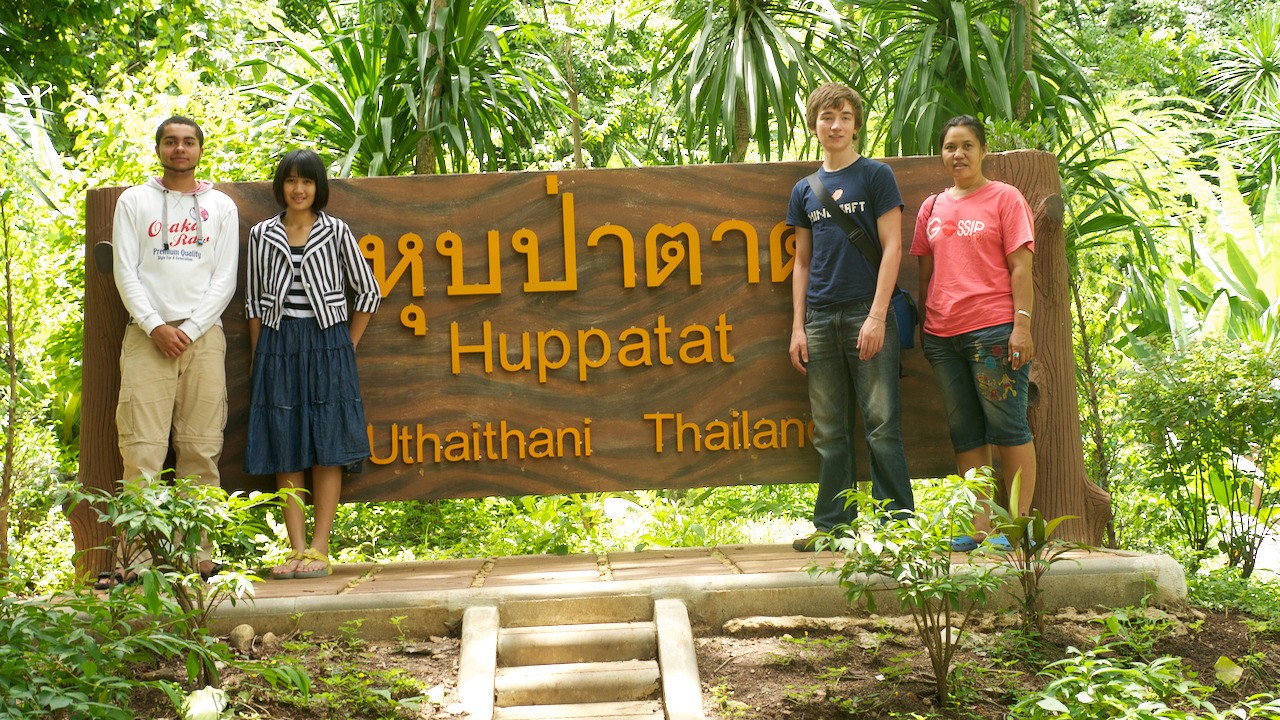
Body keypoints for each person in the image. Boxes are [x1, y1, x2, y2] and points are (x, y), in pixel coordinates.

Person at [106, 115, 239, 587]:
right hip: (146, 338)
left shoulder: (221, 206)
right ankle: (136, 559)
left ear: (200, 149)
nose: (179, 149)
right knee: (141, 451)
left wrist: (192, 327)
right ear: (159, 148)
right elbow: (127, 271)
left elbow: (225, 277)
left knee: (201, 450)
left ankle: (197, 556)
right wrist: (156, 326)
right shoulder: (134, 201)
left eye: (188, 142)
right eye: (170, 142)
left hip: (204, 340)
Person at [787, 83, 915, 551]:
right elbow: (801, 262)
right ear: (814, 124)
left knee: (882, 425)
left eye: (843, 116)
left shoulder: (876, 176)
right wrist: (798, 326)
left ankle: (897, 530)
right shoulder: (804, 190)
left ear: (856, 124)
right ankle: (834, 528)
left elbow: (893, 247)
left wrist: (878, 316)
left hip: (868, 313)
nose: (835, 125)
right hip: (820, 318)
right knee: (829, 430)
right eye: (826, 117)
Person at [243, 149, 381, 579]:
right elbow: (251, 301)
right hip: (278, 345)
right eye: (290, 181)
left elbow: (369, 293)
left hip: (329, 344)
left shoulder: (336, 231)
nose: (298, 189)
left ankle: (320, 551)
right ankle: (296, 550)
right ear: (280, 186)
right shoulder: (262, 235)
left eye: (306, 181)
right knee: (286, 447)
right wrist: (258, 355)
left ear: (318, 187)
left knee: (328, 449)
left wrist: (347, 345)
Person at [910, 115, 1037, 552]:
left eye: (967, 145)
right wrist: (927, 325)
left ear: (983, 151)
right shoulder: (932, 207)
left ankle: (1016, 527)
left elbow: (1021, 266)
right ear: (941, 155)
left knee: (1008, 428)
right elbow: (926, 272)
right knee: (965, 432)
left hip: (994, 332)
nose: (958, 154)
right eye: (950, 147)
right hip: (943, 336)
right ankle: (978, 524)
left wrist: (1022, 325)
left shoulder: (1005, 199)